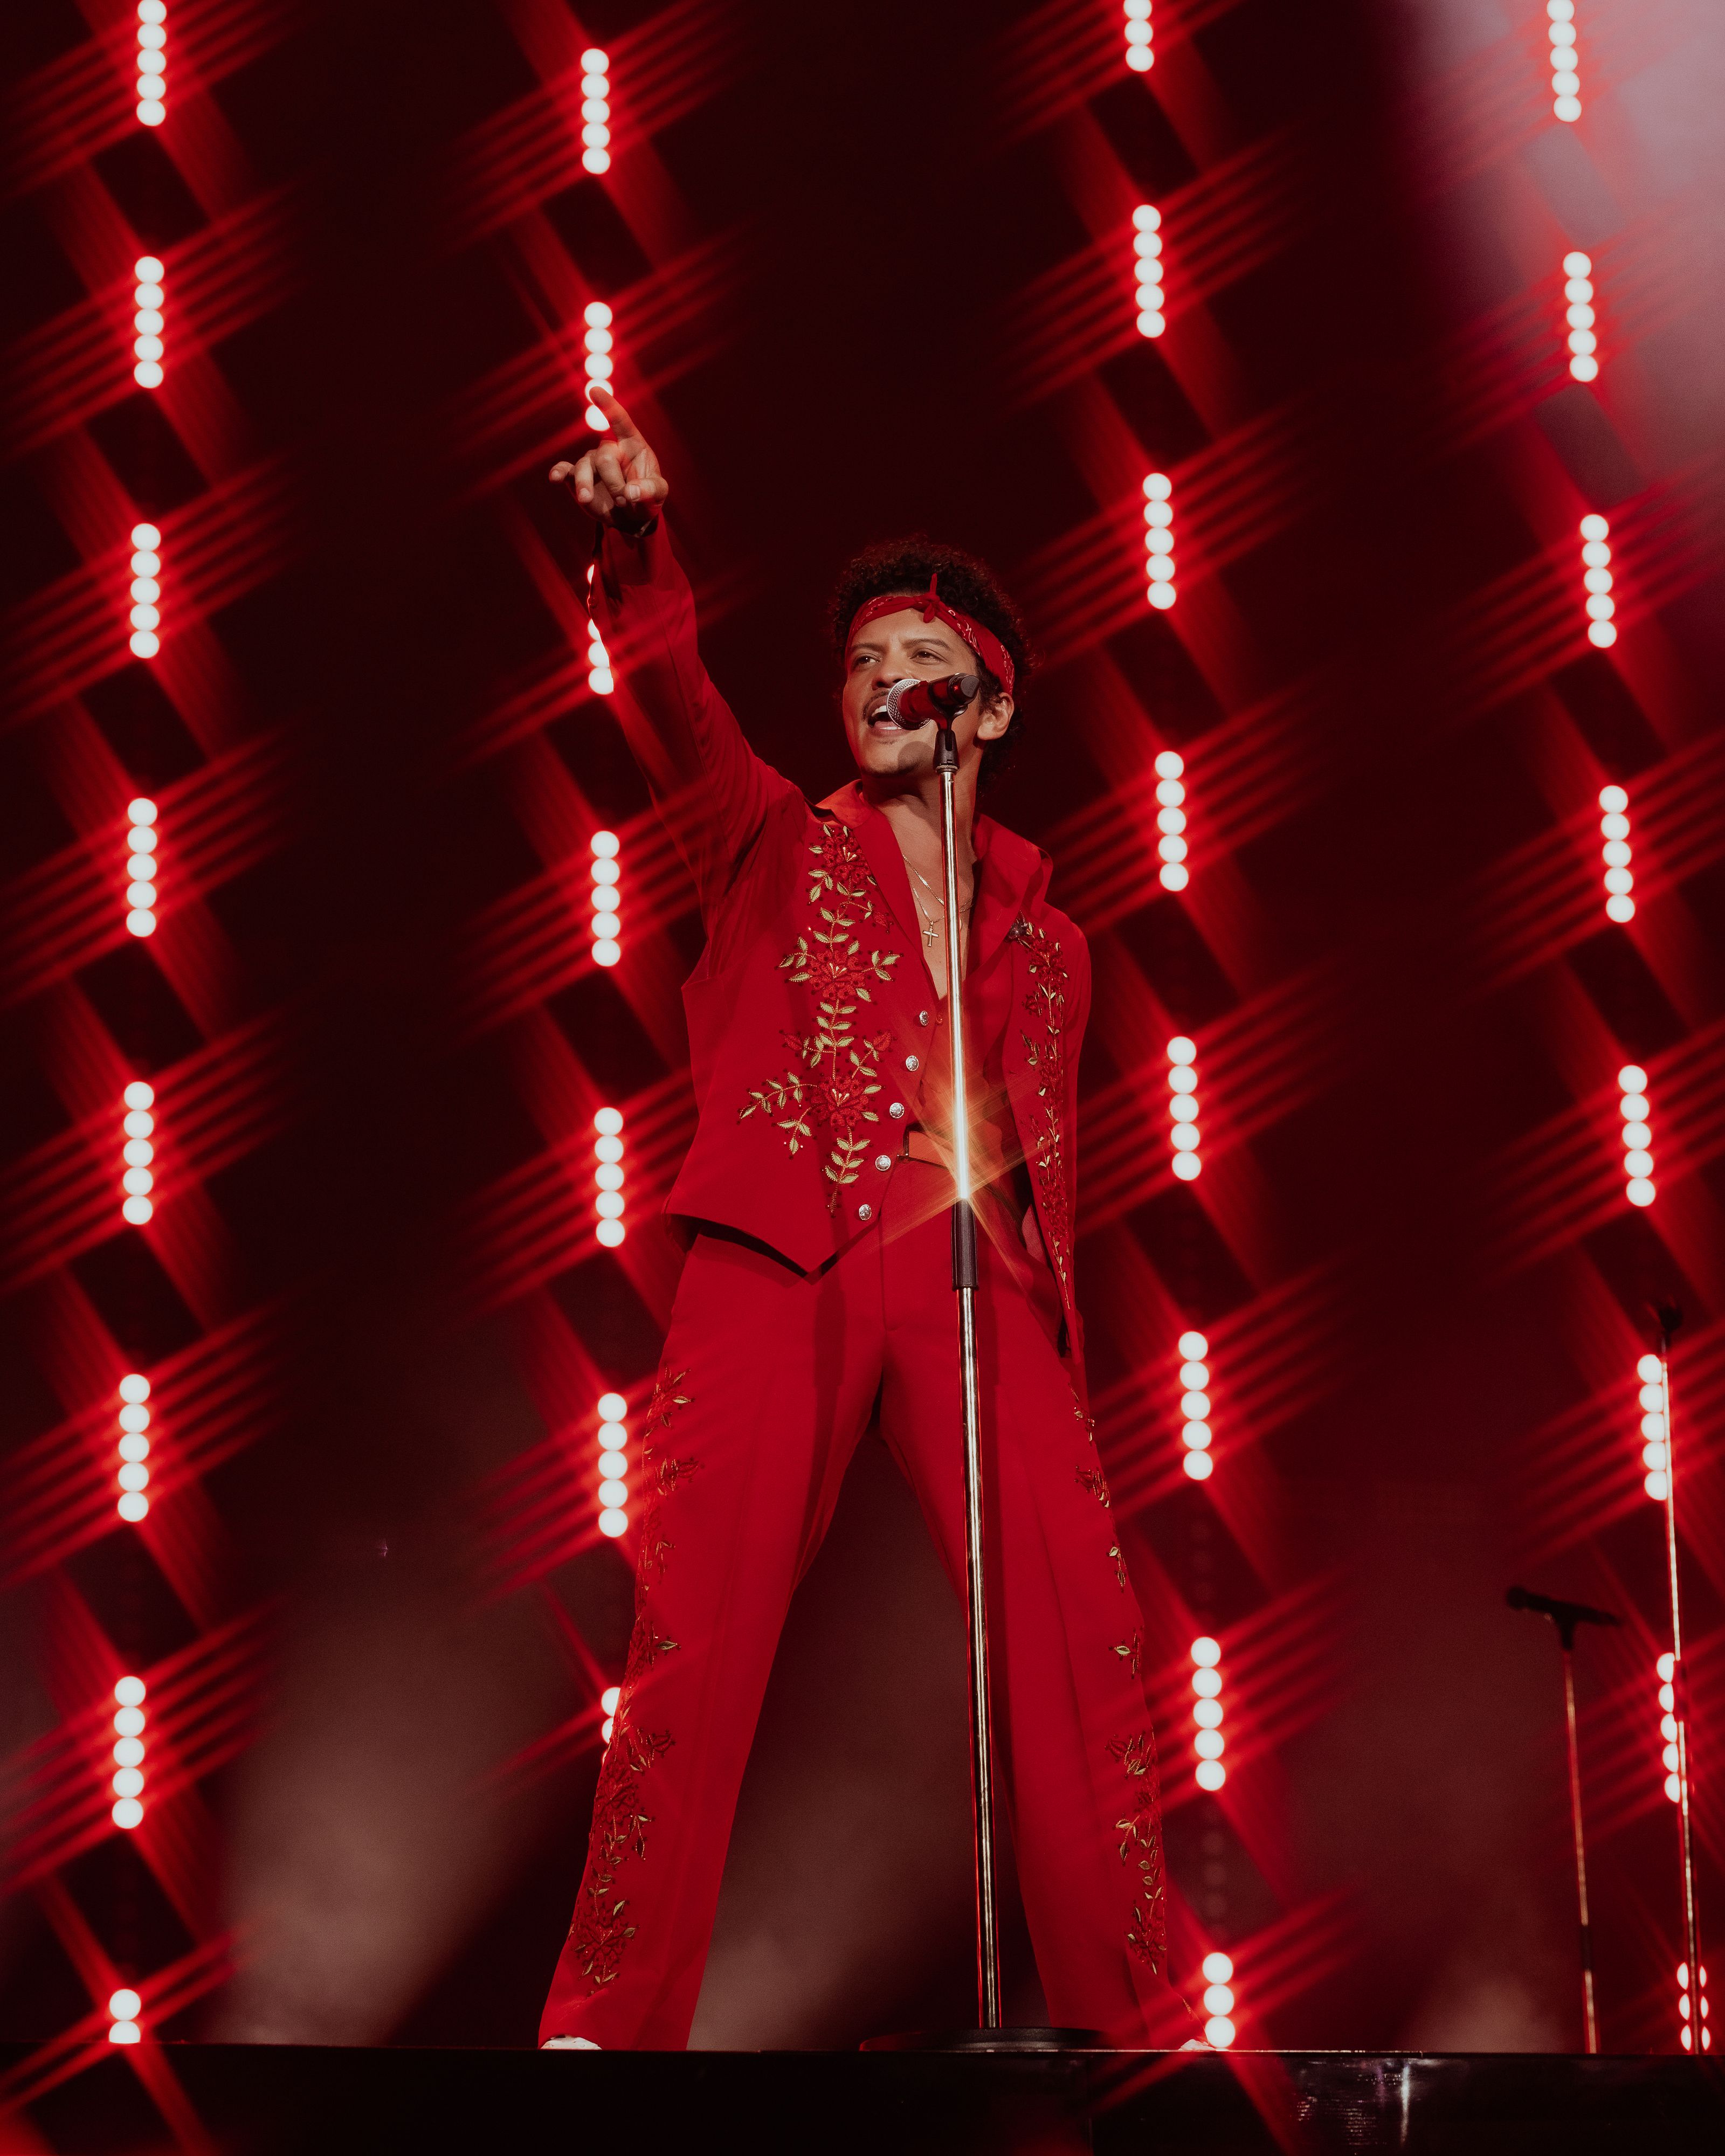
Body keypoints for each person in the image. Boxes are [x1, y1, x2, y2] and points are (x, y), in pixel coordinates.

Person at [538, 386, 1178, 2050]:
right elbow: (673, 699)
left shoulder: (1056, 942)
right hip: (785, 1251)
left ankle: (1139, 2030)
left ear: (991, 700)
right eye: (861, 661)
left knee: (1082, 1634)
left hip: (980, 1273)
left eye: (920, 654)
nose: (885, 678)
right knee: (695, 1640)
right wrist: (637, 542)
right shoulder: (767, 840)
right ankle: (608, 2025)